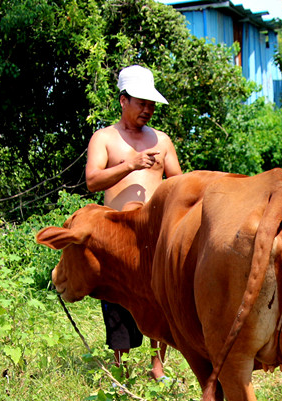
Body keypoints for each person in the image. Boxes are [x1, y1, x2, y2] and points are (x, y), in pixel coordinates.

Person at [85, 65, 182, 380]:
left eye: (151, 104)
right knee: (118, 299)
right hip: (117, 232)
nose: (148, 109)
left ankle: (157, 368)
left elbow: (179, 183)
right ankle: (120, 367)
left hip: (154, 233)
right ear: (123, 100)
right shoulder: (105, 138)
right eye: (141, 103)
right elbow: (92, 181)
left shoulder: (162, 141)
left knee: (158, 298)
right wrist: (130, 164)